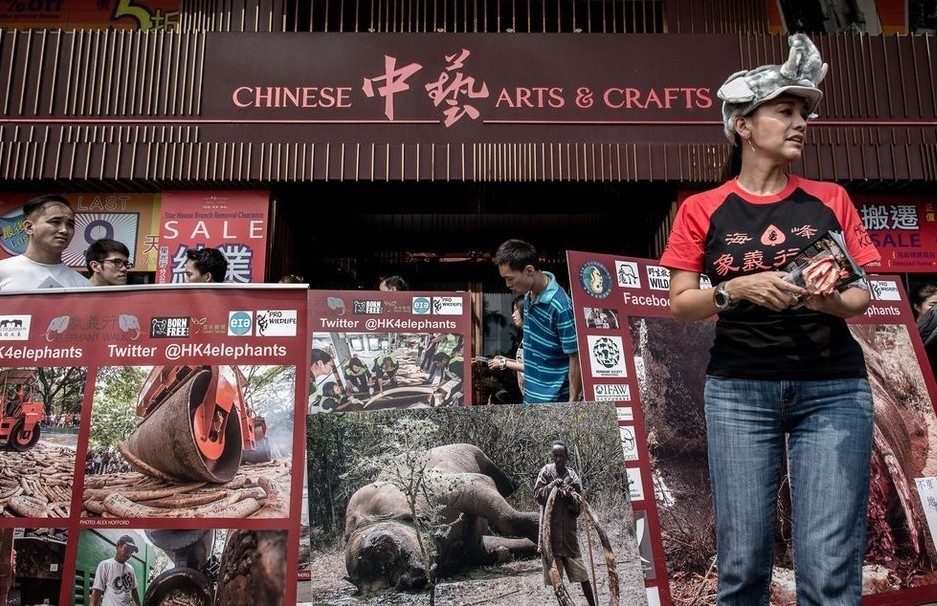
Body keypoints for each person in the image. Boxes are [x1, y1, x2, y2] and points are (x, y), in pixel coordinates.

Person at [659, 34, 880, 605]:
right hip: (739, 390)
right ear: (744, 126)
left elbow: (861, 299)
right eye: (784, 111)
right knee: (743, 561)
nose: (799, 123)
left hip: (832, 388)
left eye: (803, 112)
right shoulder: (701, 209)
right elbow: (681, 302)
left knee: (830, 564)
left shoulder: (830, 199)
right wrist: (734, 289)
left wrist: (819, 296)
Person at [493, 239, 581, 403]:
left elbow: (575, 357)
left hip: (555, 401)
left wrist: (572, 403)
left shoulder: (560, 307)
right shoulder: (528, 297)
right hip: (531, 395)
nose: (507, 284)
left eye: (510, 278)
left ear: (529, 270)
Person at [534, 441, 596, 606]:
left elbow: (578, 508)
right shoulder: (546, 472)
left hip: (568, 537)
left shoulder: (573, 476)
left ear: (567, 457)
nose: (558, 459)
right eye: (556, 456)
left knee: (583, 576)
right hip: (550, 537)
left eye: (562, 456)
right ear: (553, 456)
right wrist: (552, 486)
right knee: (557, 580)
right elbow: (539, 495)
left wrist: (570, 497)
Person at [0, 194, 90, 290]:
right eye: (55, 222)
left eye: (70, 224)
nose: (64, 230)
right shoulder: (2, 271)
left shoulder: (83, 285)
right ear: (29, 227)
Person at [489, 293, 526, 395]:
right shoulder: (525, 336)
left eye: (516, 310)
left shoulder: (534, 336)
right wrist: (507, 360)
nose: (513, 315)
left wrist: (504, 363)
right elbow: (524, 363)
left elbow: (533, 368)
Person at [90, 534, 141, 606]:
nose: (128, 555)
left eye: (131, 552)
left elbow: (134, 590)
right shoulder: (105, 565)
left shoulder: (131, 569)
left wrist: (139, 604)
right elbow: (96, 592)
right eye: (126, 549)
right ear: (118, 546)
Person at [308, 348, 336, 413]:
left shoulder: (310, 378)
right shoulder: (311, 385)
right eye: (331, 365)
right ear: (320, 363)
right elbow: (306, 408)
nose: (332, 368)